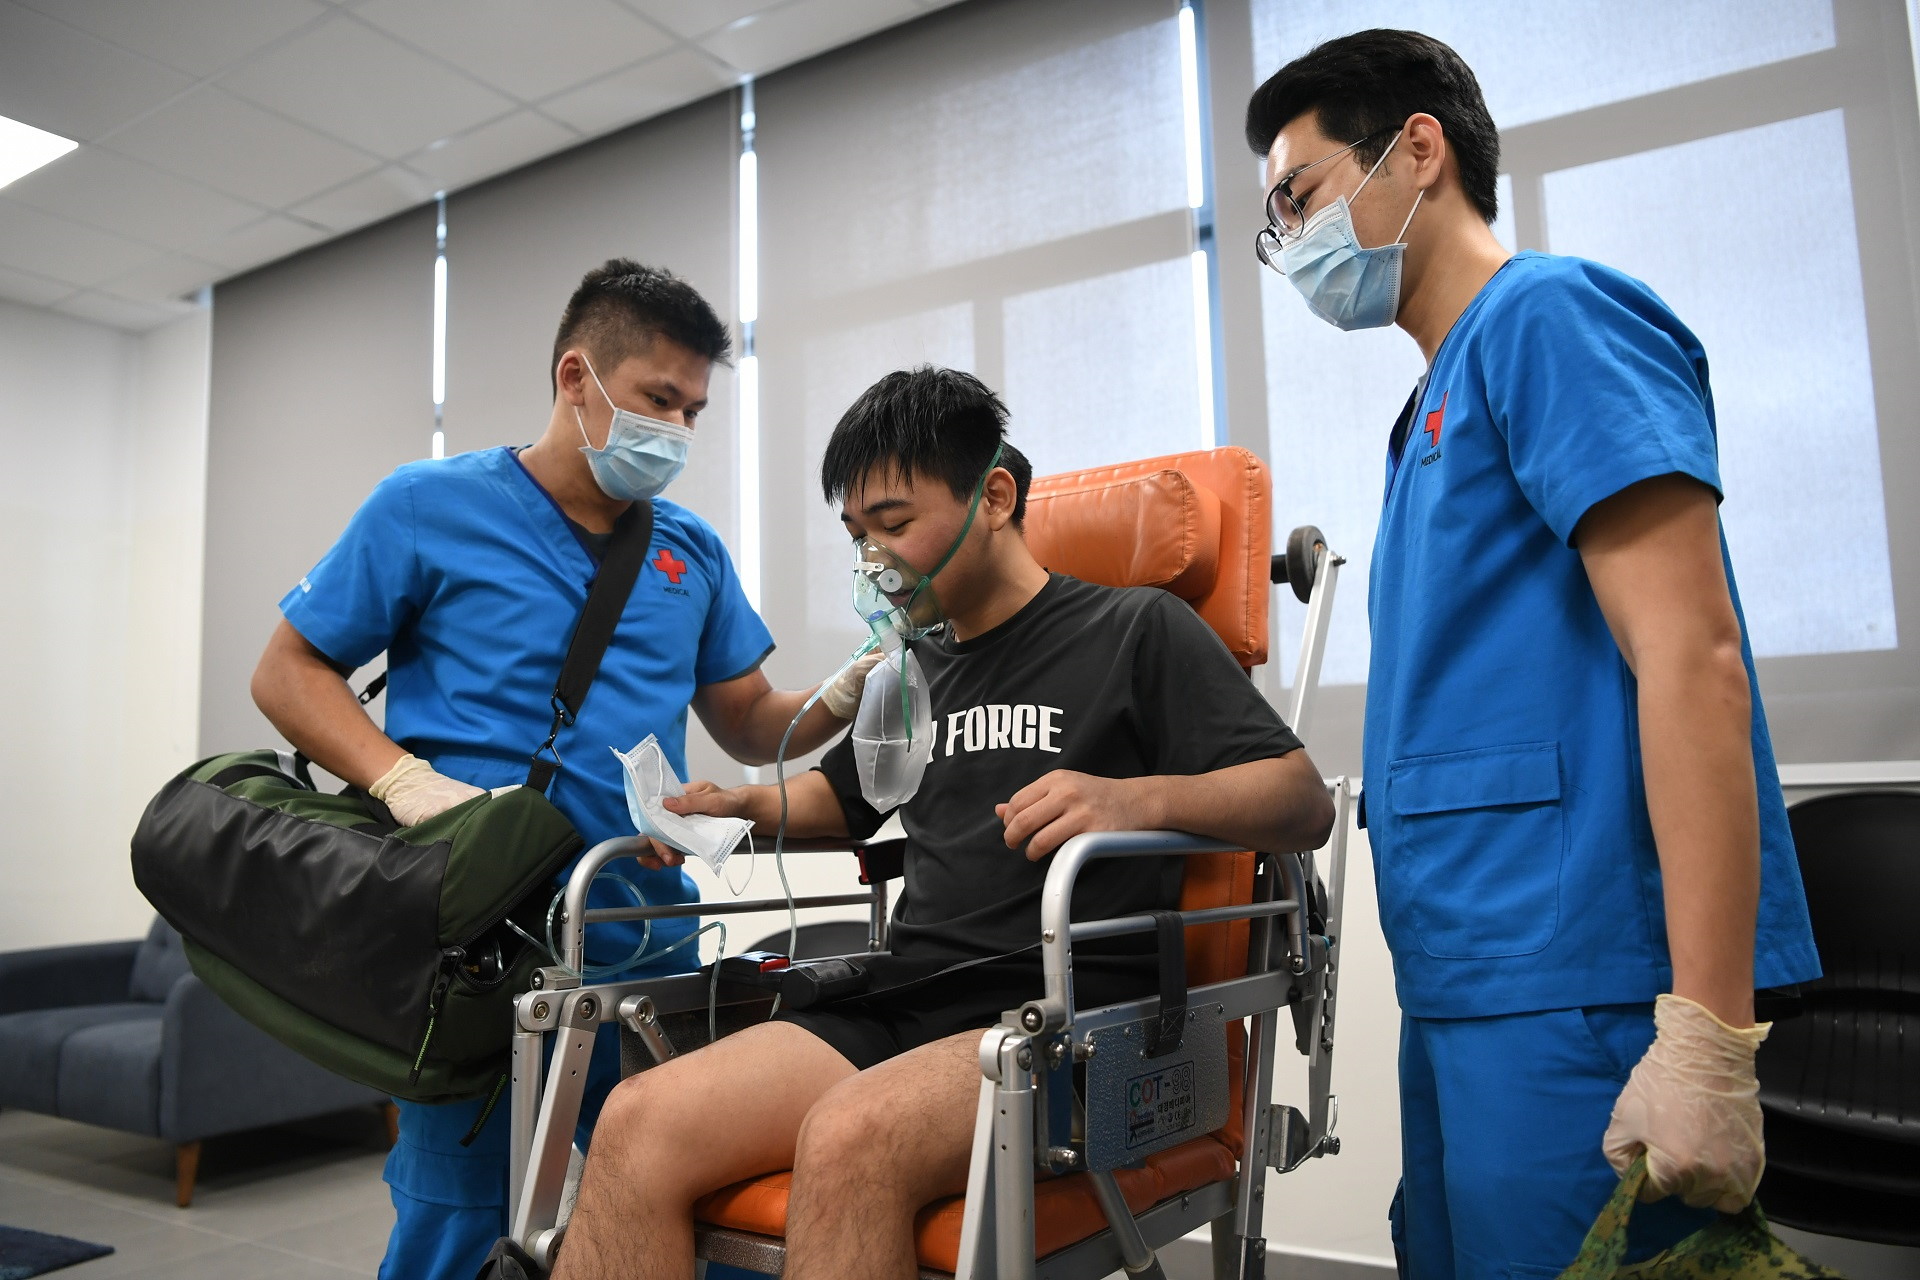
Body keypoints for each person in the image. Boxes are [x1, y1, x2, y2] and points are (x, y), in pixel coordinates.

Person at [533, 366, 1335, 1280]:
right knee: (638, 1120)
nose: (873, 560)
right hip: (907, 995)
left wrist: (1135, 798)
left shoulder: (1134, 629)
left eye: (893, 523)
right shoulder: (913, 668)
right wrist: (741, 806)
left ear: (993, 498)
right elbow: (845, 800)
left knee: (851, 1136)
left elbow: (1301, 800)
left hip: (1074, 1019)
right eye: (857, 536)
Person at [1244, 30, 1822, 1278]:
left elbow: (1693, 656)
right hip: (1471, 972)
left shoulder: (1548, 317)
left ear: (1419, 149)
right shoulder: (1431, 405)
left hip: (1581, 975)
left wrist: (1707, 1035)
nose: (1291, 240)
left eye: (1298, 195)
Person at [249, 260, 875, 1280]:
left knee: (698, 1206)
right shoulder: (427, 506)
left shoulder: (689, 552)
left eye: (694, 410)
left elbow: (749, 719)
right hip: (478, 943)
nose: (677, 429)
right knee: (461, 1222)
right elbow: (287, 671)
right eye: (658, 399)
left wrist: (846, 689)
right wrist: (403, 780)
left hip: (644, 932)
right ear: (576, 377)